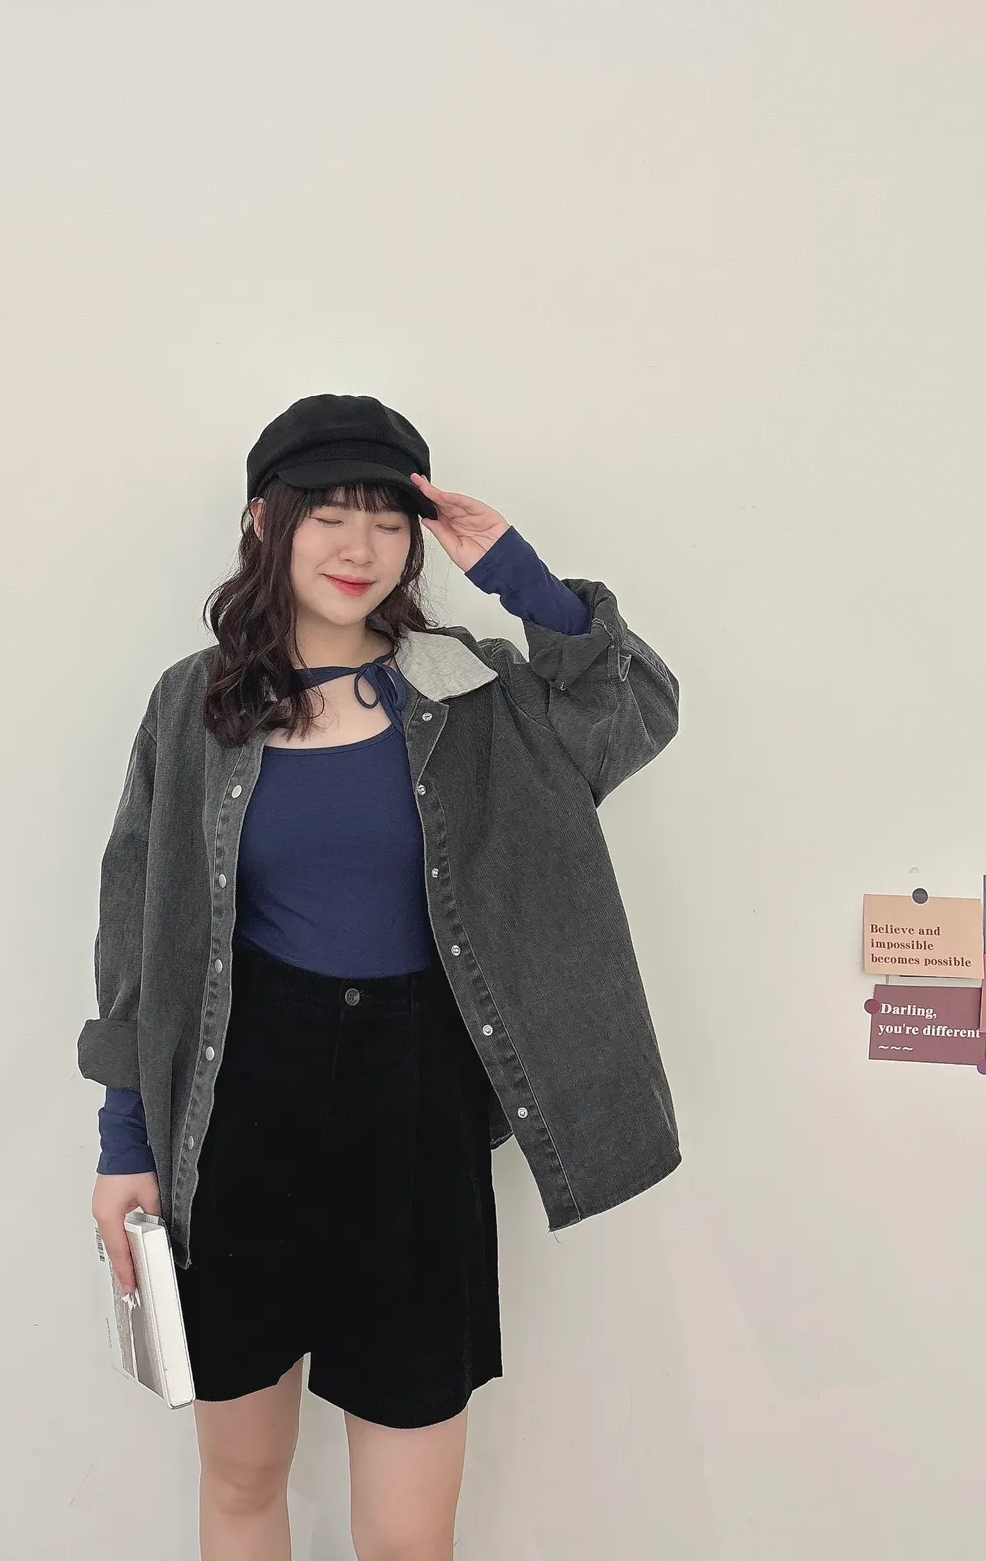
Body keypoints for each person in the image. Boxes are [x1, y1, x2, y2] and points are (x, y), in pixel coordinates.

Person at [81, 393, 681, 1560]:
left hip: (414, 1120)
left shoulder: (471, 693)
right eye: (329, 515)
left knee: (409, 1529)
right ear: (266, 523)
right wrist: (123, 1139)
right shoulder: (193, 703)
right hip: (239, 1116)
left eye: (388, 520)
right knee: (241, 1478)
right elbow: (135, 925)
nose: (361, 547)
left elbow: (630, 713)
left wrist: (520, 576)